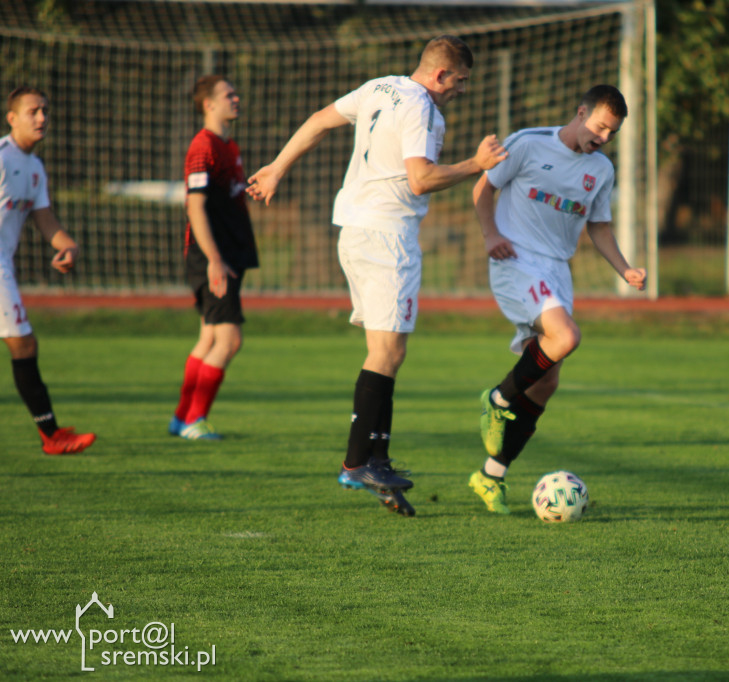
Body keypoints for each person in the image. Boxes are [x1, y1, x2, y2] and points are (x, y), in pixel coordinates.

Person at [246, 35, 507, 517]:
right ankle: (355, 462)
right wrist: (477, 164)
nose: (462, 91)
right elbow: (421, 179)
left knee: (386, 351)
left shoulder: (380, 86)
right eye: (460, 81)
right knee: (387, 353)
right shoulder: (422, 109)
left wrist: (278, 167)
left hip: (353, 228)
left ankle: (378, 460)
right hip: (388, 236)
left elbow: (320, 120)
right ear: (440, 75)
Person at [470, 84, 646, 514]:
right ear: (581, 112)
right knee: (566, 337)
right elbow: (483, 188)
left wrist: (624, 269)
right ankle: (497, 399)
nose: (603, 138)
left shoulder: (601, 171)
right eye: (601, 126)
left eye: (612, 133)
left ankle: (491, 476)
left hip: (556, 271)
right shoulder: (528, 144)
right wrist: (491, 235)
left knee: (546, 382)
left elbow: (599, 227)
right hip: (515, 258)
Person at [1, 87, 96, 455]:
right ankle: (52, 435)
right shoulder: (1, 158)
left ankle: (51, 433)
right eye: (32, 112)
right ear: (12, 118)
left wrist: (68, 246)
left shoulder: (35, 168)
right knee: (23, 342)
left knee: (23, 342)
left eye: (45, 110)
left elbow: (44, 219)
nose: (41, 118)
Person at [168, 75, 258, 441]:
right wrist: (215, 259)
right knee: (229, 341)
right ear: (208, 104)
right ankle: (195, 421)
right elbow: (196, 207)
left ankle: (181, 418)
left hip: (227, 253)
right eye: (228, 94)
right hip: (214, 257)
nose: (236, 98)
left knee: (208, 338)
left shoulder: (228, 145)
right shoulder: (203, 147)